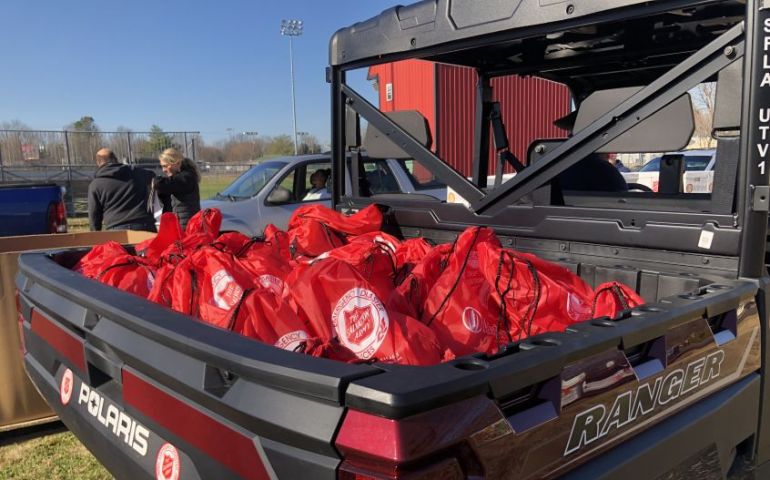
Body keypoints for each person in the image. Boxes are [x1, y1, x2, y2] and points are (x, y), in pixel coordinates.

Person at [87, 148, 156, 232]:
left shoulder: (95, 184)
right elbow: (153, 176)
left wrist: (95, 236)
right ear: (115, 159)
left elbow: (94, 215)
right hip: (144, 226)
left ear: (98, 163)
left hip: (116, 229)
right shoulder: (136, 172)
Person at [153, 148, 201, 230]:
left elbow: (160, 184)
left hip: (187, 228)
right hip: (182, 225)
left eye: (165, 166)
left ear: (176, 163)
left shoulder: (186, 178)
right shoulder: (181, 178)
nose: (163, 170)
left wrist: (152, 180)